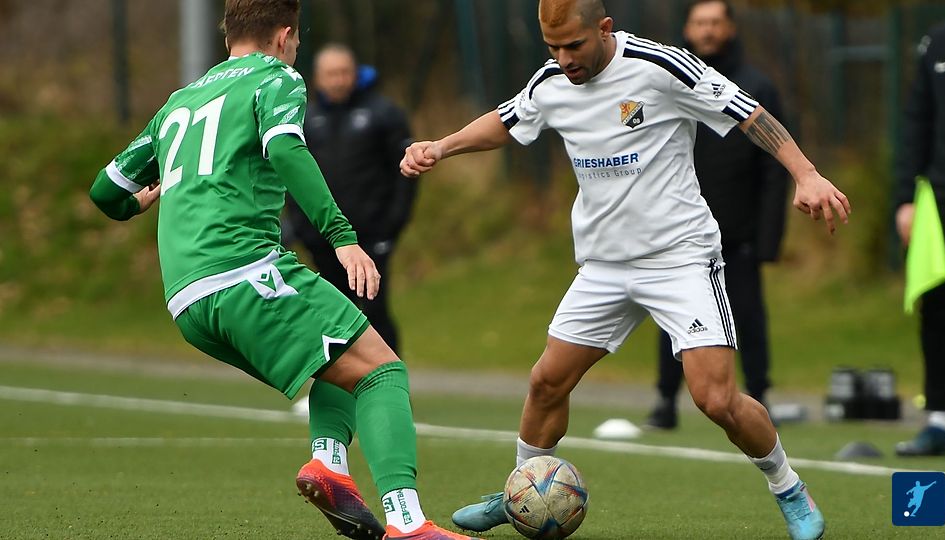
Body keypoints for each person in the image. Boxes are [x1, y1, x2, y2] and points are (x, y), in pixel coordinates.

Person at [401, 1, 850, 538]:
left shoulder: (661, 66)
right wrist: (442, 146)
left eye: (574, 45)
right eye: (553, 48)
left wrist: (807, 174)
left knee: (715, 399)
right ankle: (522, 490)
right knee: (547, 382)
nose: (564, 59)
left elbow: (749, 113)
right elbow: (506, 121)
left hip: (680, 258)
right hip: (604, 266)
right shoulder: (551, 81)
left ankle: (789, 488)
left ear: (604, 28)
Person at [87, 1, 478, 539]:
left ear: (229, 33)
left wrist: (138, 203)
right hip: (242, 271)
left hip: (186, 299)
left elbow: (105, 191)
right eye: (296, 42)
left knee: (341, 357)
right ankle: (408, 524)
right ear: (284, 35)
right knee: (383, 370)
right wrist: (343, 237)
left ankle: (330, 467)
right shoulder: (275, 78)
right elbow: (288, 151)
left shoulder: (181, 99)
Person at [645, 0, 788, 430]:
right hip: (678, 234)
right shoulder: (664, 84)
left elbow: (773, 167)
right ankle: (665, 400)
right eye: (699, 22)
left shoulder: (756, 87)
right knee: (674, 318)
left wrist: (767, 238)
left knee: (748, 316)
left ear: (730, 28)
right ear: (687, 29)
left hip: (737, 233)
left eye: (715, 22)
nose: (707, 30)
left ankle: (759, 396)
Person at [285, 44, 416, 352]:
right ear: (318, 78)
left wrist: (392, 225)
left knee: (373, 312)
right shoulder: (305, 119)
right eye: (331, 74)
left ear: (355, 74)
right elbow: (292, 178)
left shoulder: (384, 114)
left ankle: (389, 378)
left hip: (371, 238)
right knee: (331, 316)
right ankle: (341, 382)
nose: (338, 80)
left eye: (344, 72)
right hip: (323, 241)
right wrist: (303, 228)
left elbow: (405, 172)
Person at [894, 3, 945, 458]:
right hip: (943, 203)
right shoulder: (938, 42)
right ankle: (939, 421)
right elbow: (916, 121)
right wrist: (905, 198)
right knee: (939, 311)